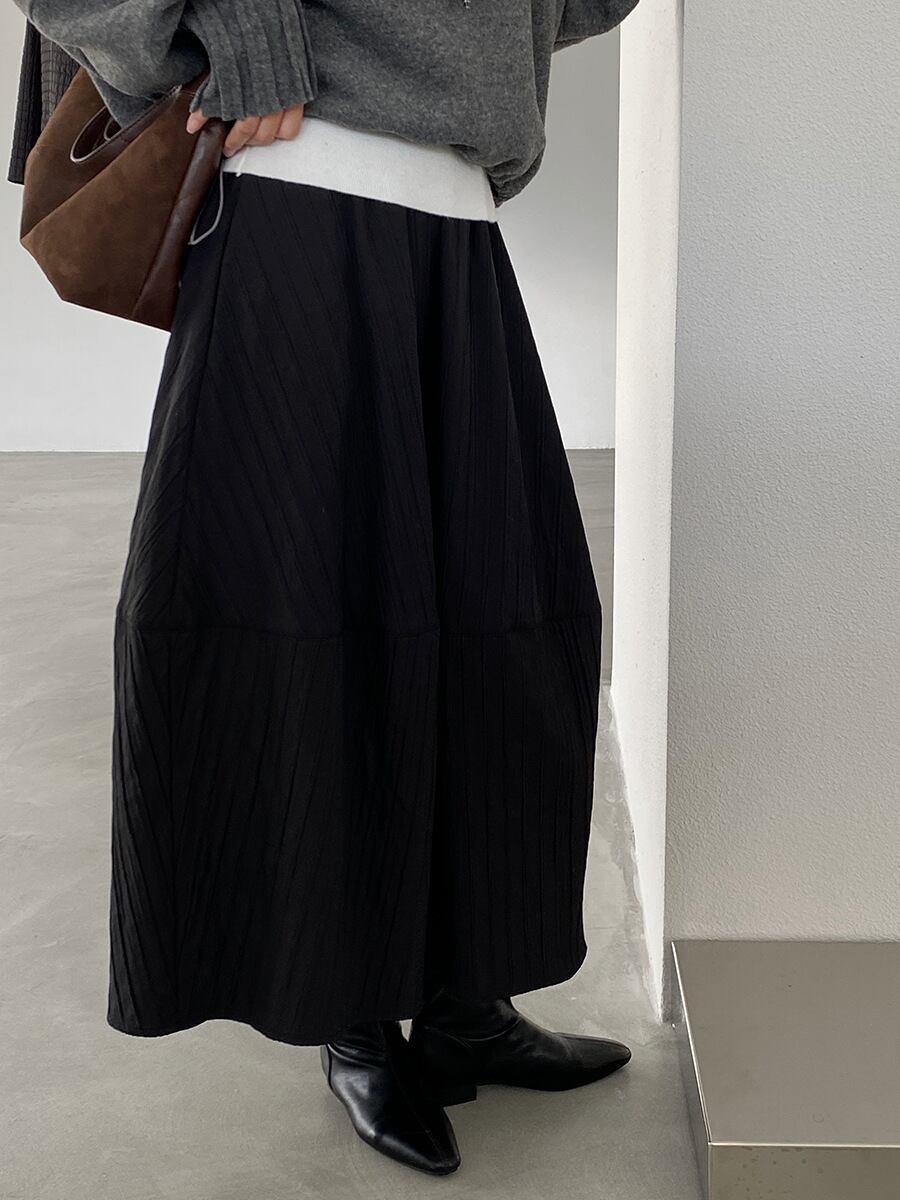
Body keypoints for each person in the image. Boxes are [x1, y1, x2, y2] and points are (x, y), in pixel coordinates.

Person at [9, 0, 640, 1177]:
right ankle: (350, 1018)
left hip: (459, 218)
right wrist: (240, 23)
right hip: (300, 197)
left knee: (502, 626)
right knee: (316, 635)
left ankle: (465, 1005)